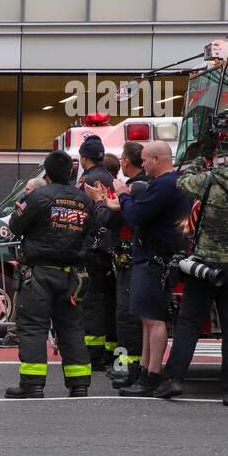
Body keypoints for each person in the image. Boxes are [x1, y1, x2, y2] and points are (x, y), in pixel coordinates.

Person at [154, 131, 228, 407]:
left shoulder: (212, 180)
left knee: (189, 323)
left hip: (205, 265)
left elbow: (183, 182)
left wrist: (203, 154)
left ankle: (173, 379)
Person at [89, 141, 190, 397]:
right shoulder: (164, 185)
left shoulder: (165, 185)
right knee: (146, 319)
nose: (141, 164)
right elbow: (135, 211)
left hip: (155, 259)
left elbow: (136, 216)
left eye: (145, 160)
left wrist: (122, 193)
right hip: (152, 257)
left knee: (153, 320)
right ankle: (145, 372)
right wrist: (108, 201)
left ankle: (151, 375)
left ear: (157, 159)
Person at [4, 151, 92, 398]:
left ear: (47, 172)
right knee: (72, 327)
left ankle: (32, 384)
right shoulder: (85, 200)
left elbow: (15, 226)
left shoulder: (39, 197)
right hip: (73, 275)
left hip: (39, 273)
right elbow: (93, 231)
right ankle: (79, 384)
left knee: (32, 327)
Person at [99, 141, 148, 389]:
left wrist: (101, 202)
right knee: (130, 314)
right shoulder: (143, 186)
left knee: (127, 314)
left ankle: (131, 367)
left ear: (127, 162)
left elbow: (110, 218)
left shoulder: (133, 188)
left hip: (130, 259)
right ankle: (130, 366)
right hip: (134, 259)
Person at [76, 135, 116, 370]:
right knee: (111, 302)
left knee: (92, 302)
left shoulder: (87, 181)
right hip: (111, 249)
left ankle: (94, 354)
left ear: (84, 158)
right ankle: (111, 350)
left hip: (93, 249)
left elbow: (81, 214)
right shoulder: (111, 177)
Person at [0, 176, 47, 350]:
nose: (25, 193)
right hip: (34, 264)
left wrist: (19, 214)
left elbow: (16, 227)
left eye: (28, 190)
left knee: (21, 301)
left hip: (35, 266)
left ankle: (15, 335)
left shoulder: (32, 208)